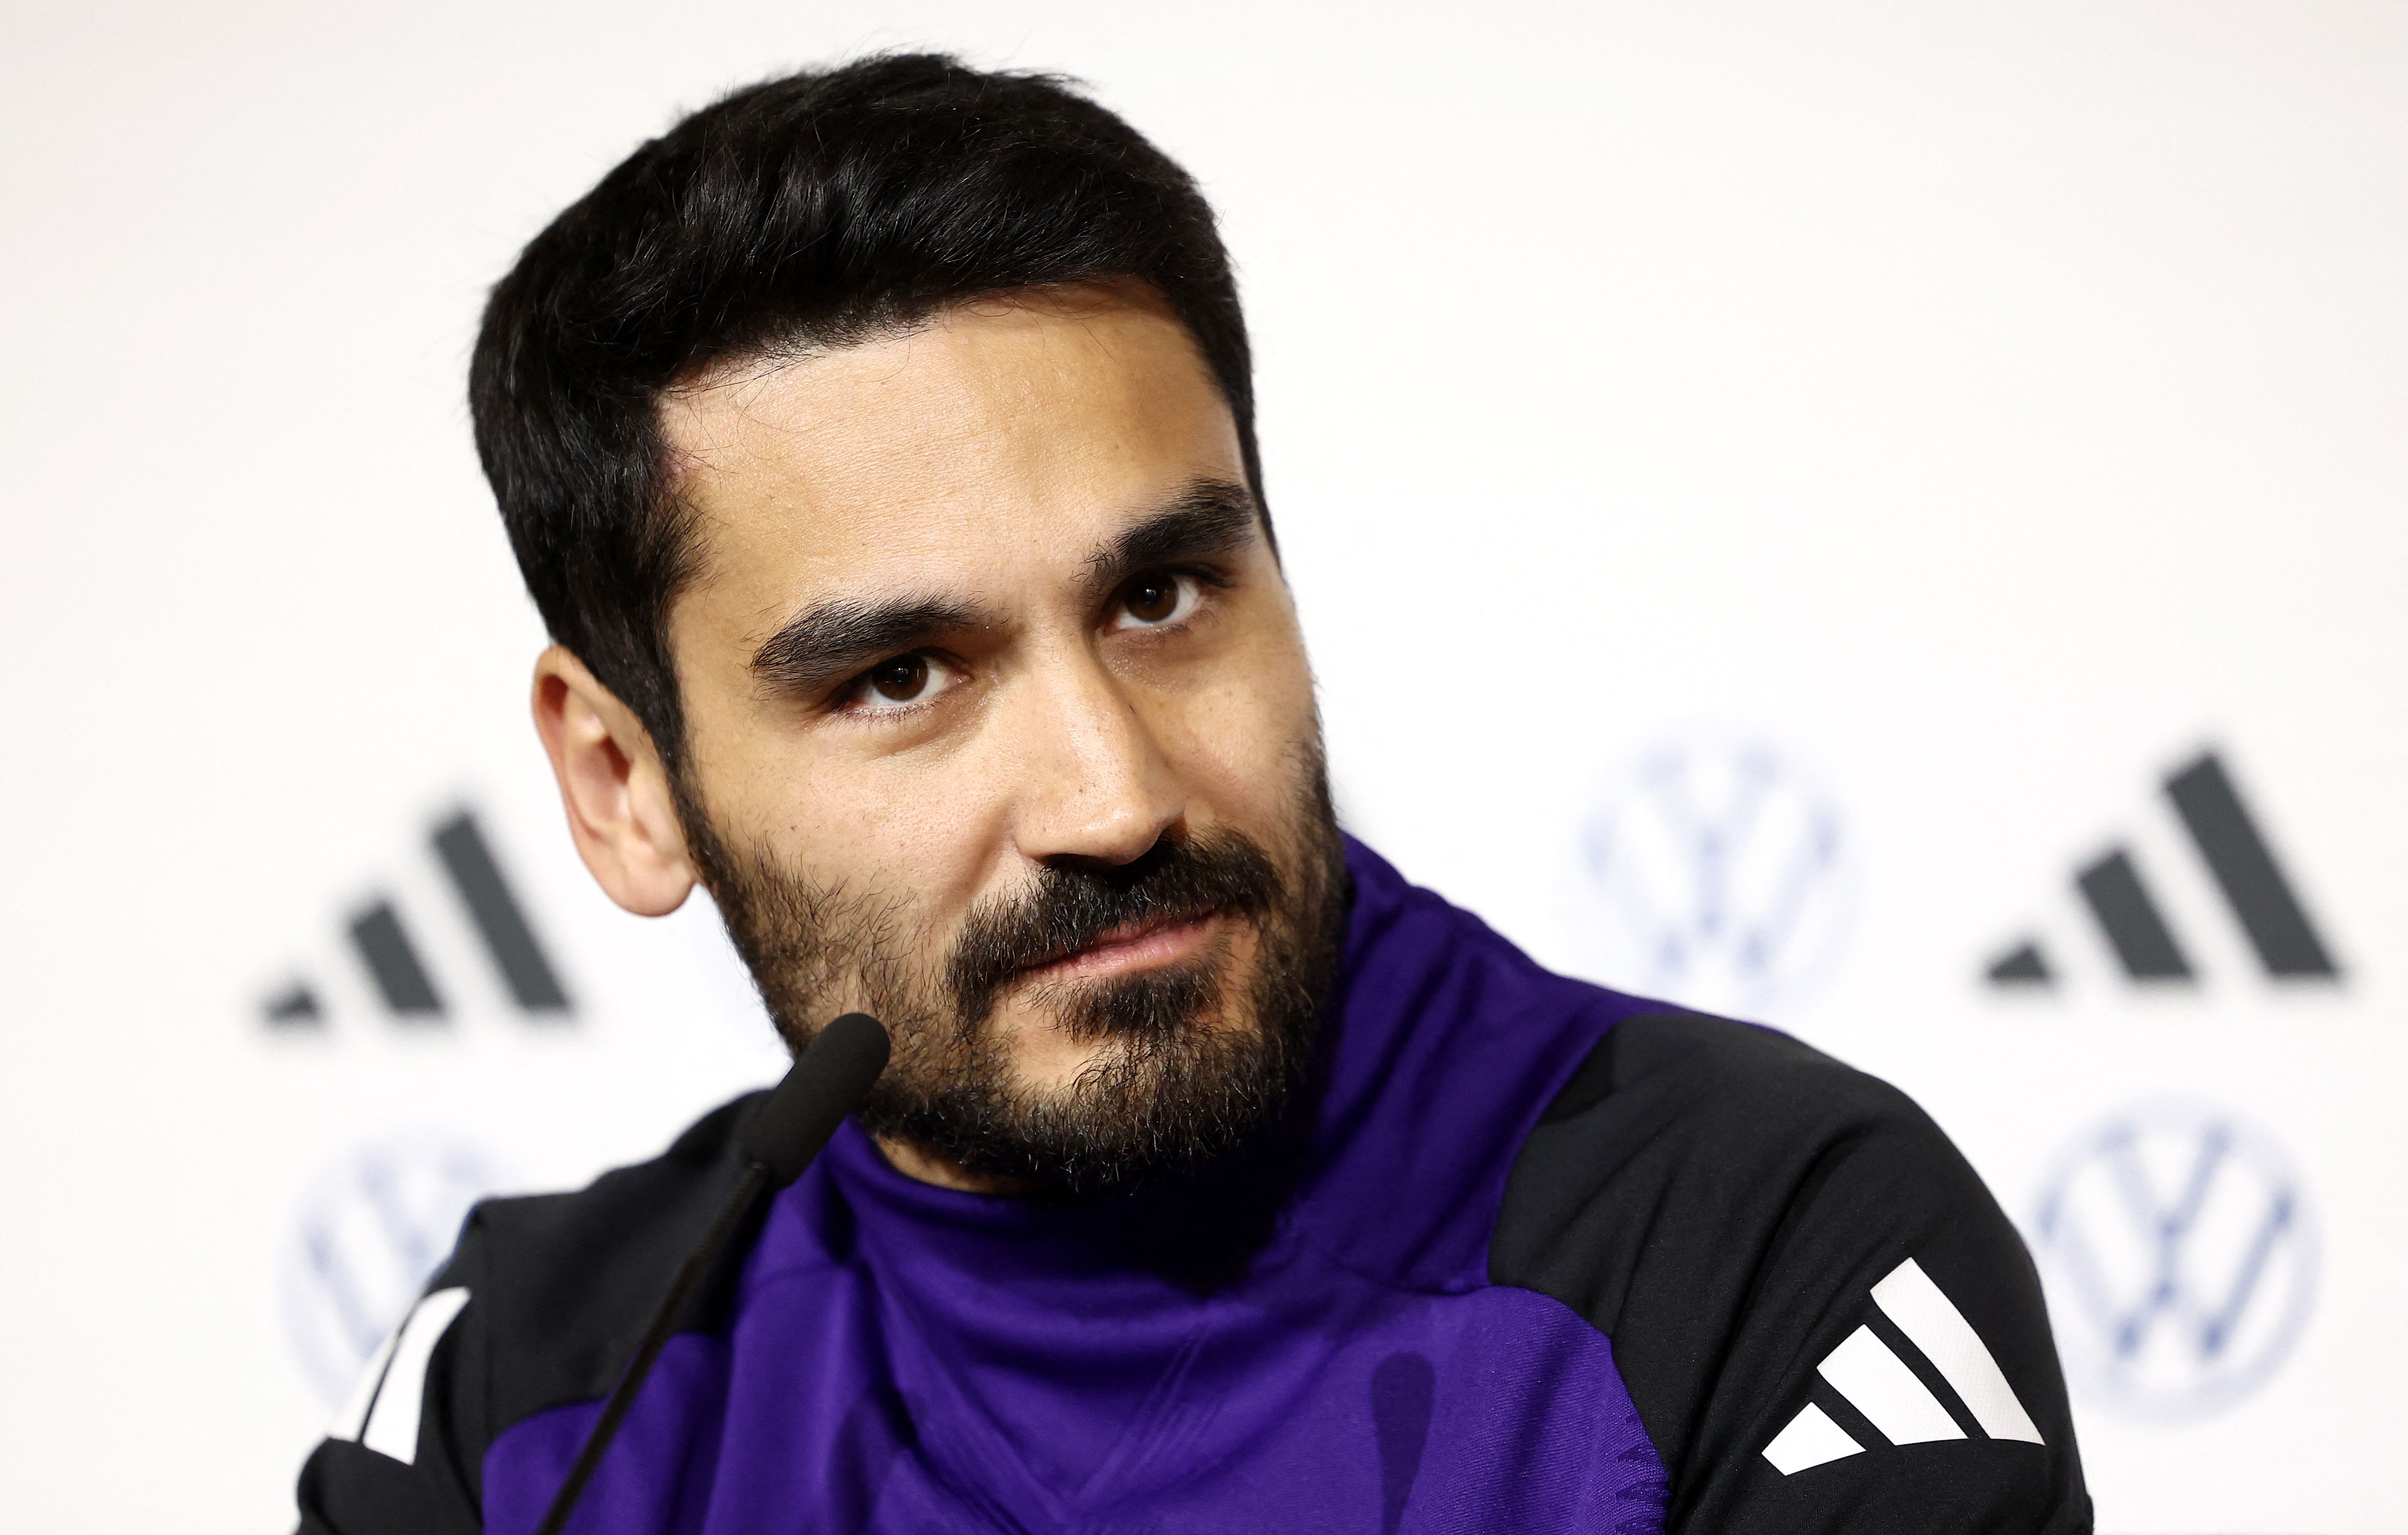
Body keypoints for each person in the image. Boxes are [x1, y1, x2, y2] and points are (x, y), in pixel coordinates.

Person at [294, 52, 2092, 1535]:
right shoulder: (528, 1400)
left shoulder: (1754, 1243)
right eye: (901, 676)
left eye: (1160, 596)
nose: (1114, 798)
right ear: (626, 783)